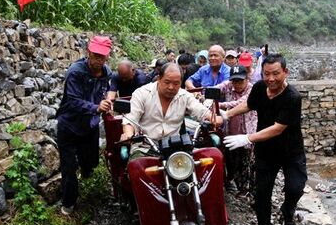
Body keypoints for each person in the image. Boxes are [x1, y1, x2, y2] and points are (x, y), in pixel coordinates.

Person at [223, 54, 306, 225]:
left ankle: (288, 209)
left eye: (276, 74)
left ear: (286, 72)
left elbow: (278, 128)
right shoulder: (260, 87)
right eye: (266, 74)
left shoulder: (292, 97)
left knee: (296, 187)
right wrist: (227, 114)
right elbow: (249, 105)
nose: (271, 79)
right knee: (262, 193)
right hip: (266, 152)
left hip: (291, 151)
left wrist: (247, 138)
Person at [56, 35, 113, 215]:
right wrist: (96, 107)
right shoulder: (76, 72)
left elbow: (106, 92)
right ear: (88, 52)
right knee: (69, 167)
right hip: (70, 126)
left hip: (90, 125)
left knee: (90, 161)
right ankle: (68, 204)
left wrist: (107, 102)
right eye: (95, 55)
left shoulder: (106, 73)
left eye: (102, 56)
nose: (98, 60)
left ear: (107, 56)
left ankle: (89, 182)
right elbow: (72, 101)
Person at [120, 63, 222, 143]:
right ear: (159, 79)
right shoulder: (141, 94)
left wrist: (213, 118)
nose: (171, 87)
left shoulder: (184, 96)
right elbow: (130, 119)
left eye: (176, 83)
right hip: (145, 146)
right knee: (136, 166)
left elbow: (200, 110)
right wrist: (128, 134)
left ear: (181, 83)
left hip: (175, 146)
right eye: (167, 82)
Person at [215, 65, 256, 194]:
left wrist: (220, 105)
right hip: (231, 131)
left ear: (247, 79)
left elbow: (241, 103)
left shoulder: (252, 89)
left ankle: (245, 188)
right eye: (235, 81)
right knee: (231, 159)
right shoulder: (229, 86)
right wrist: (205, 95)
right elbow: (215, 89)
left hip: (247, 132)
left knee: (246, 161)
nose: (237, 84)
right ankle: (231, 182)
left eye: (240, 81)